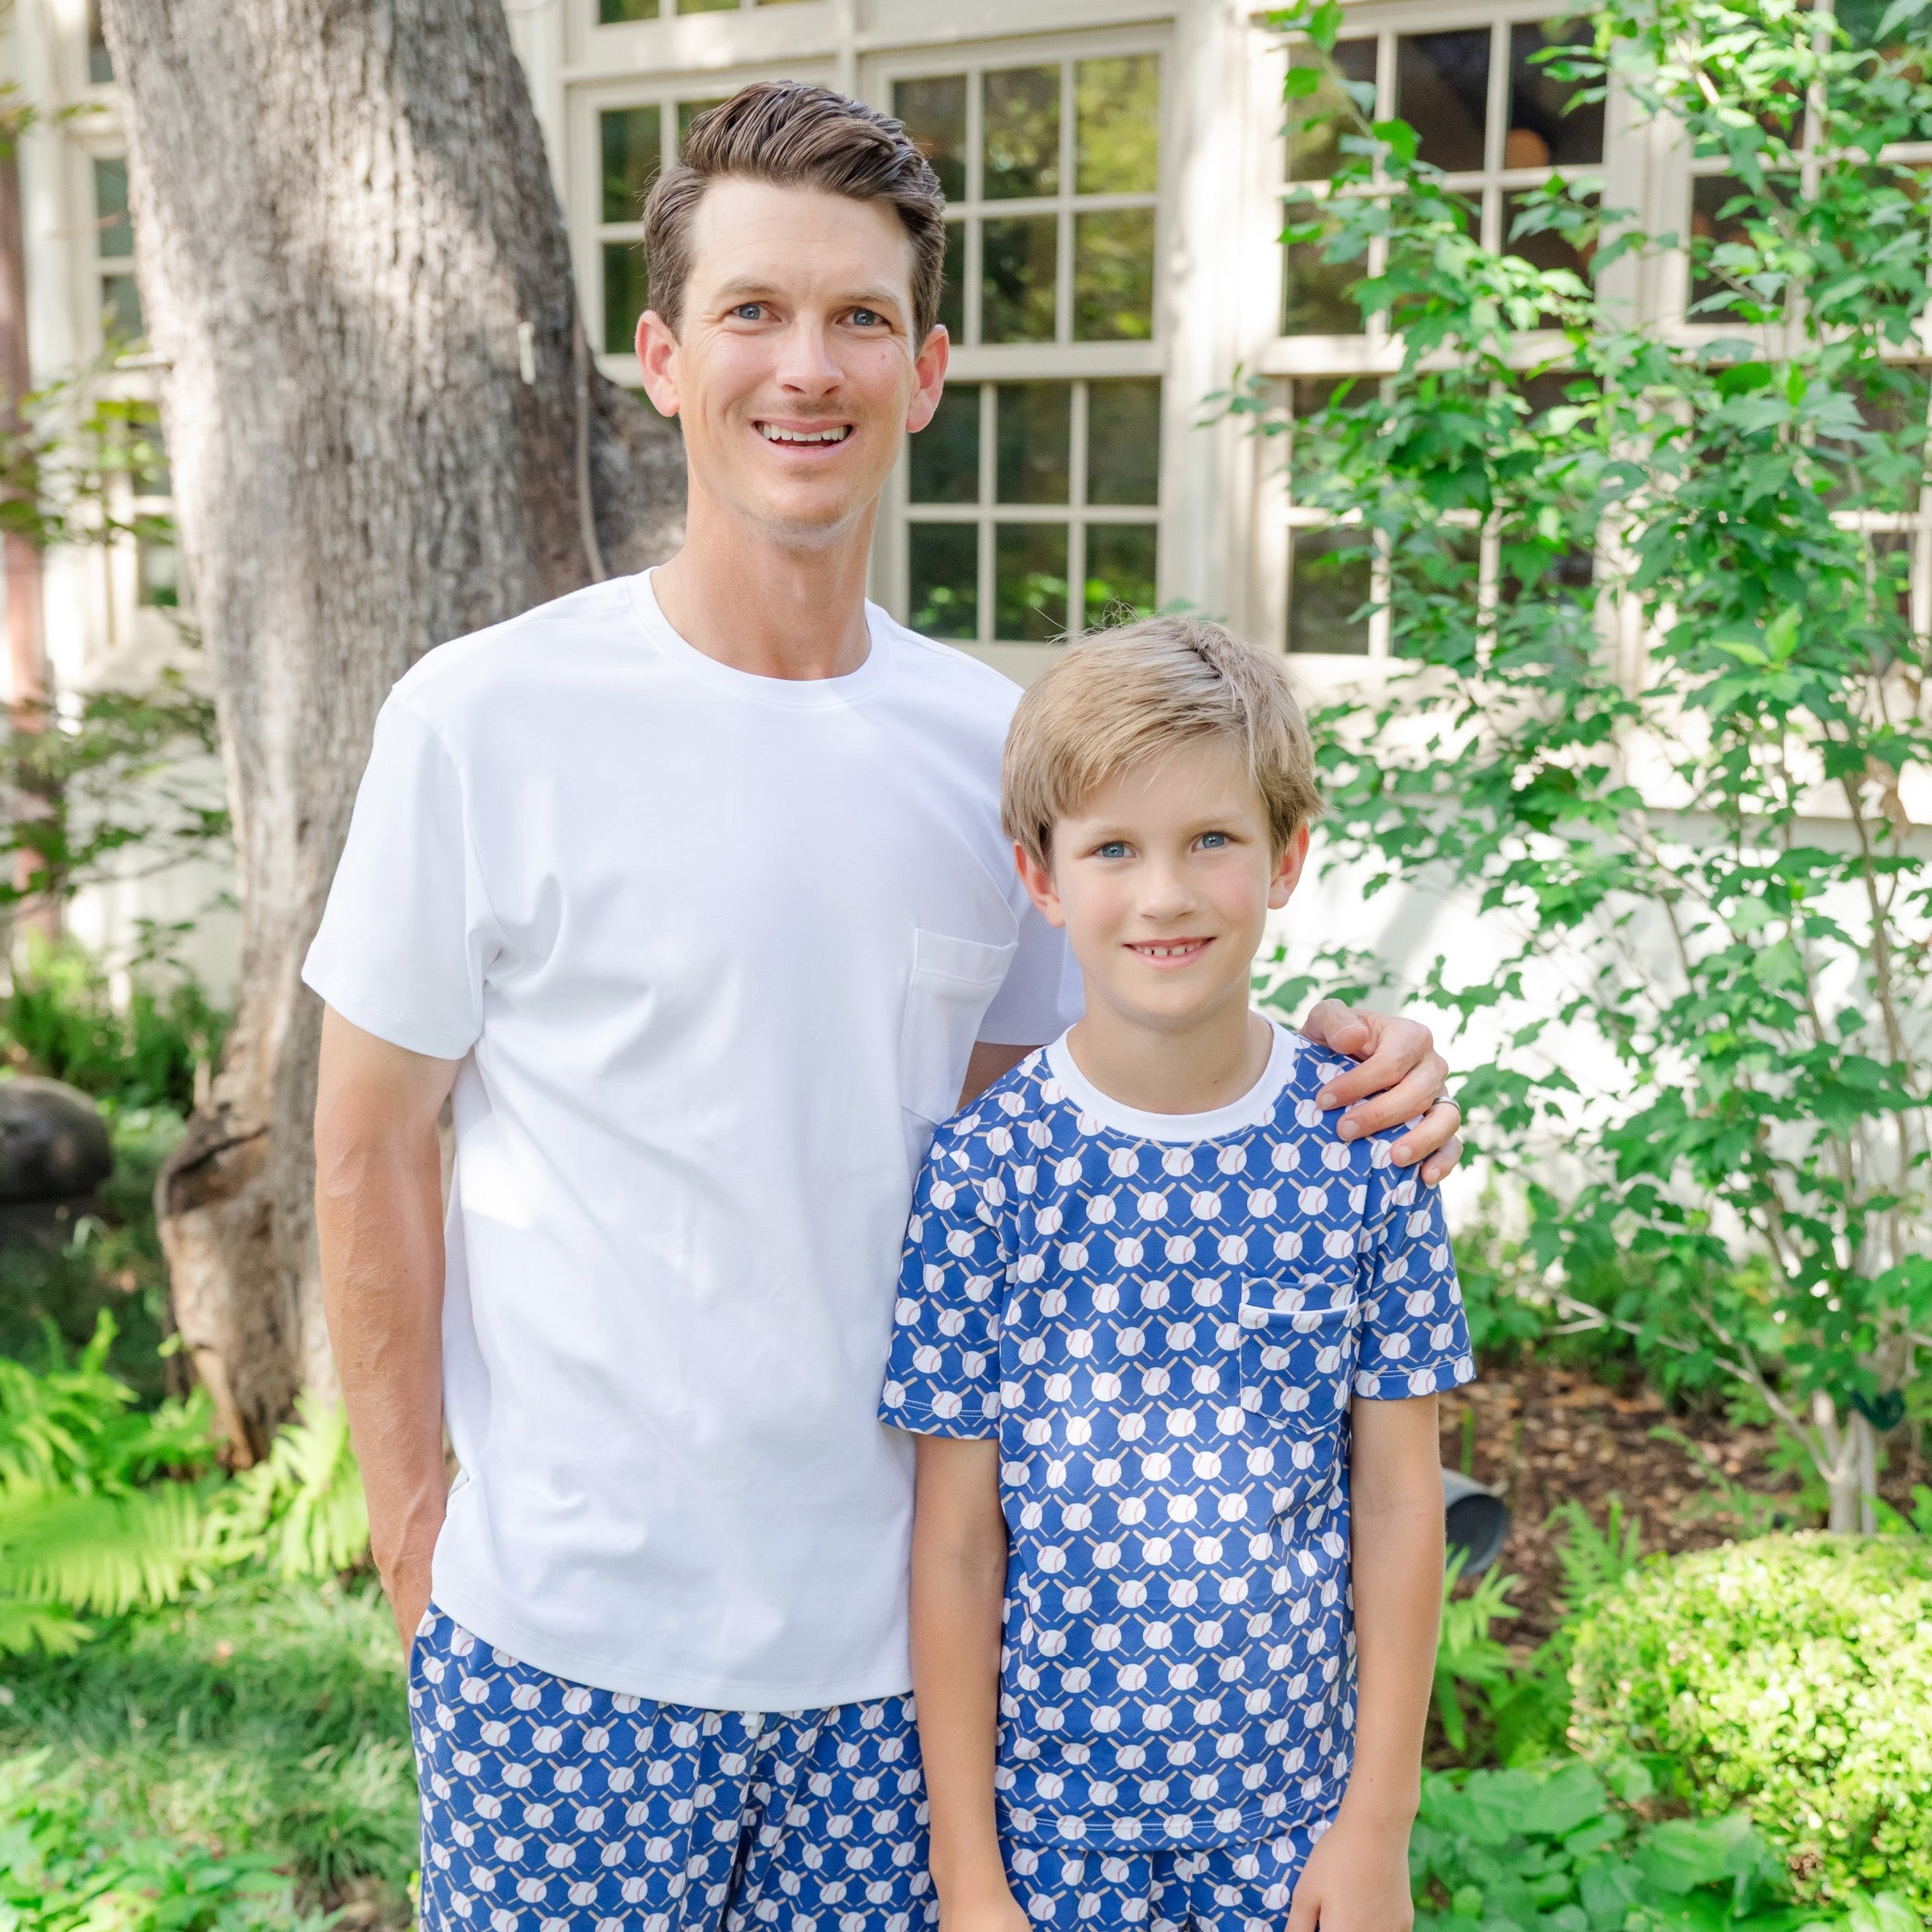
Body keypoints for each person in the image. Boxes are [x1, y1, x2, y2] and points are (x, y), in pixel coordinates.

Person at [306, 82, 1464, 1931]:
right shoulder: (482, 720)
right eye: (755, 312)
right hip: (562, 1651)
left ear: (924, 374)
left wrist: (1361, 1065)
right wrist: (415, 1534)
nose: (807, 367)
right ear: (664, 356)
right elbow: (365, 1146)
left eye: (859, 319)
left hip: (896, 1669)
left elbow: (1086, 1111)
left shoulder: (986, 754)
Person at [885, 617, 1472, 1932]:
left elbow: (1396, 1503)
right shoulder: (985, 1176)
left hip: (1292, 1835)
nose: (1164, 894)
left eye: (1212, 839)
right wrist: (971, 1879)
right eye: (1112, 849)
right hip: (1046, 1843)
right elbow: (960, 1545)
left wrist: (1376, 1828)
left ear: (1287, 859)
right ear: (1041, 878)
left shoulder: (1366, 1150)